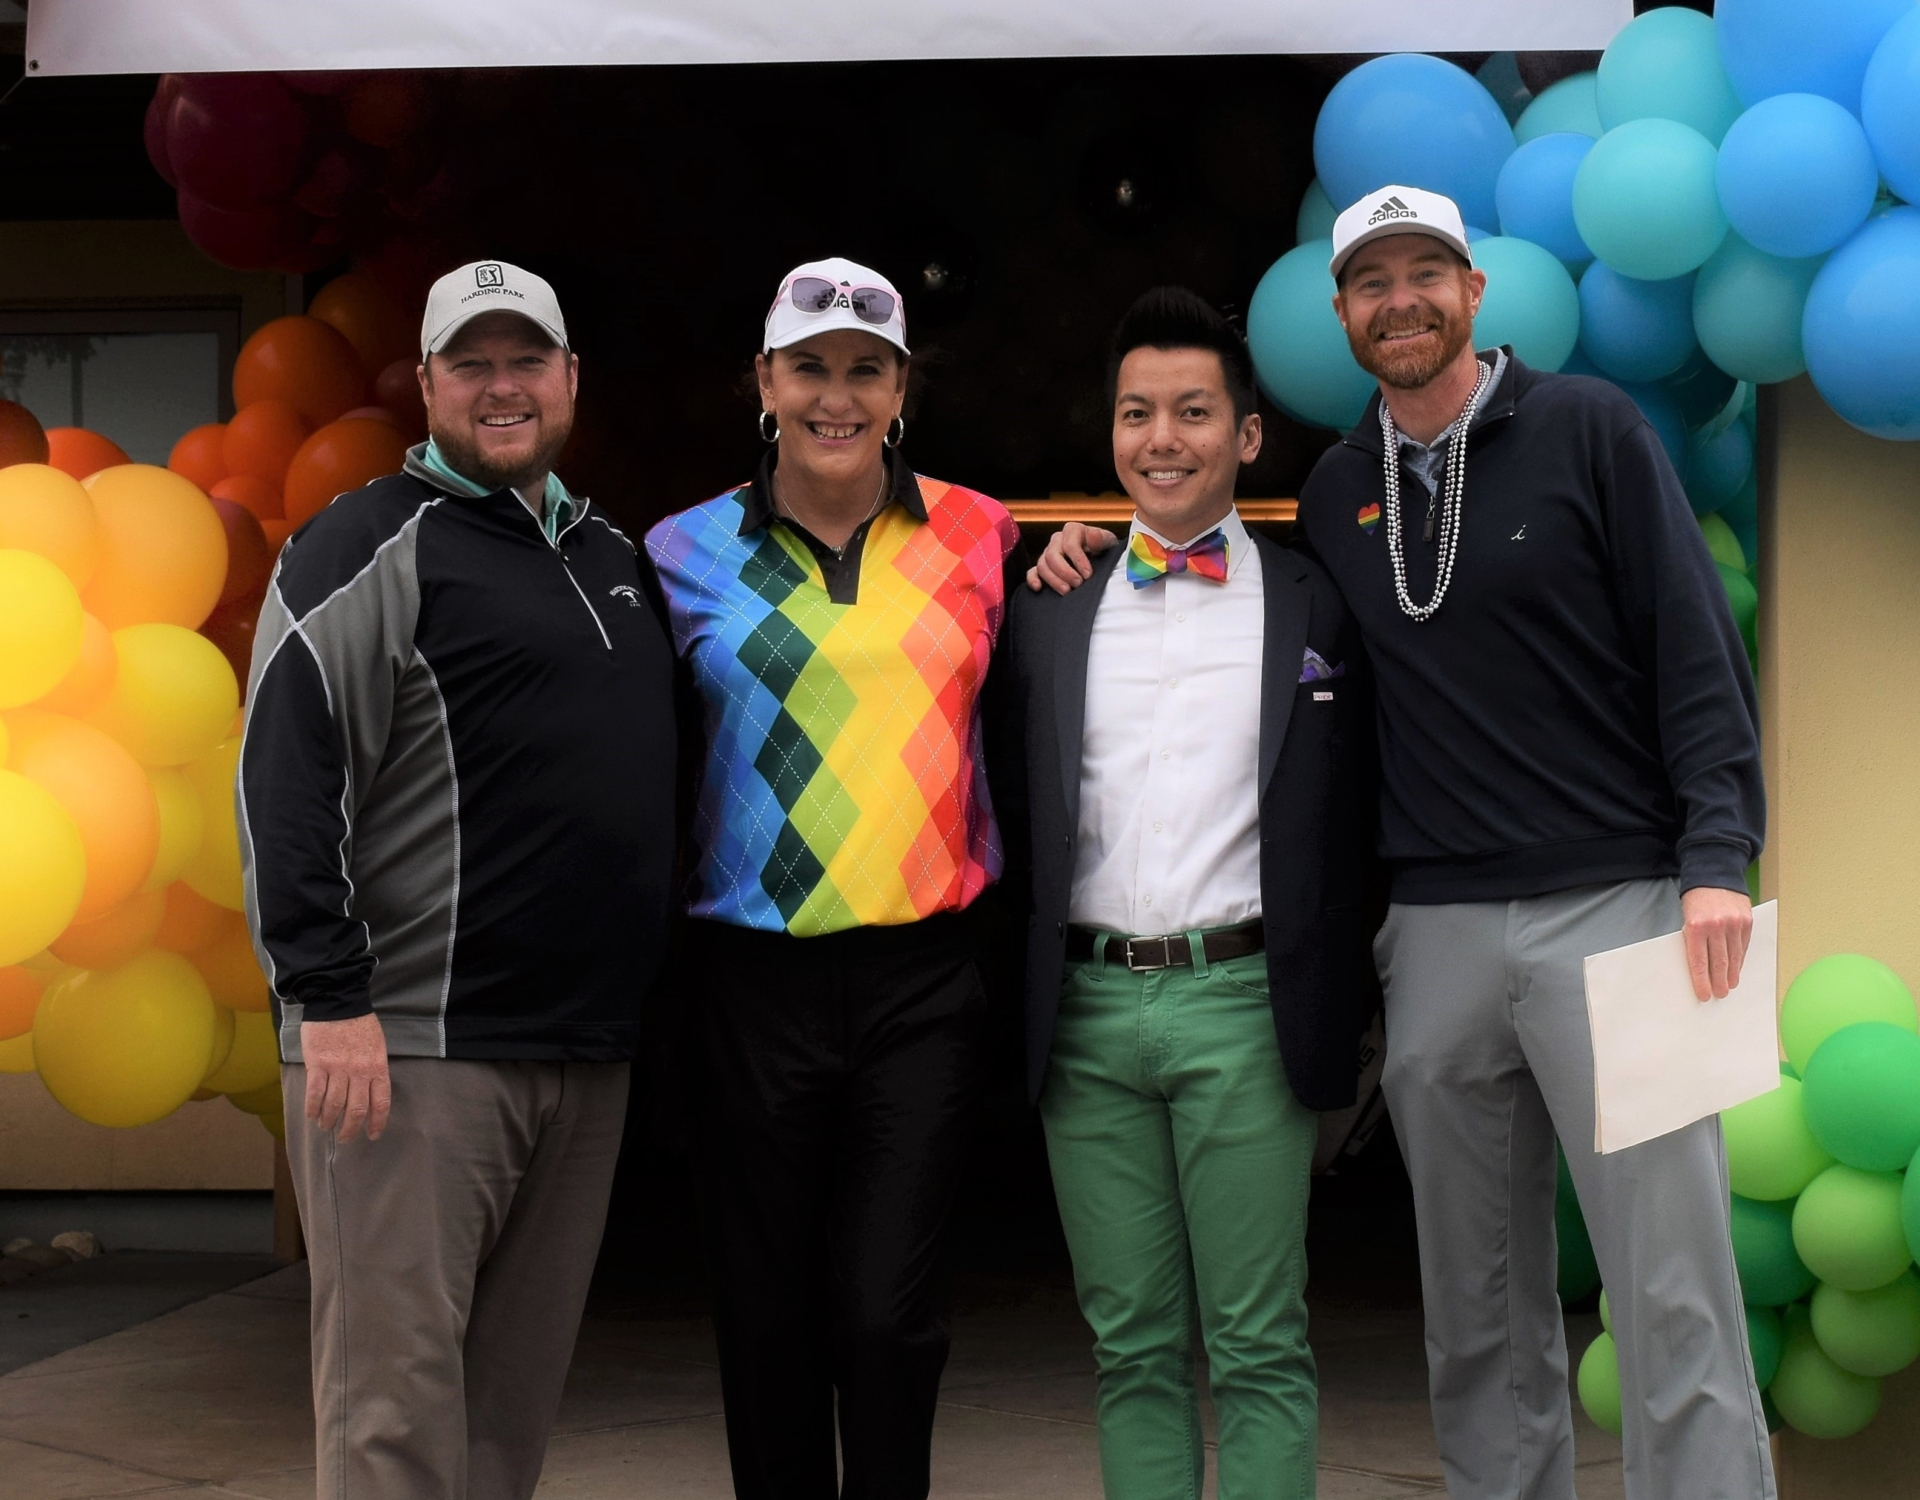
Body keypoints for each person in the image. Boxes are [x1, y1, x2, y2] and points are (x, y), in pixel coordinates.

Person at [1030, 188, 1773, 1500]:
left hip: (1632, 901)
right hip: (1434, 931)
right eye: (1373, 282)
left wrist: (1719, 861)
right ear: (1343, 315)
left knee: (1672, 1296)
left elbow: (1695, 657)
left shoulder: (1592, 429)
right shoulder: (1329, 496)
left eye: (1428, 271)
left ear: (1474, 292)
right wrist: (1079, 547)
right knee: (1477, 1313)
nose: (1402, 300)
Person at [240, 259, 677, 1500]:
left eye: (525, 360)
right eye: (471, 363)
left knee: (505, 1427)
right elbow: (282, 776)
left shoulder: (611, 554)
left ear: (570, 379)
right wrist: (326, 998)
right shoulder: (366, 543)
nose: (502, 386)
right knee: (396, 1422)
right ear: (425, 382)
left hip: (579, 1057)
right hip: (410, 1054)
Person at [643, 258, 1025, 1500]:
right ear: (765, 380)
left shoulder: (983, 532)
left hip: (923, 980)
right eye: (810, 367)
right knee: (766, 1324)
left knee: (885, 1319)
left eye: (865, 370)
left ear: (903, 386)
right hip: (749, 983)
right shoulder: (678, 551)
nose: (836, 397)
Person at [1006, 287, 1374, 1500]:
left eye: (1194, 412)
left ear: (1248, 436)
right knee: (1131, 1352)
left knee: (1261, 1348)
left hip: (1246, 1009)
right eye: (1136, 413)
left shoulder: (1320, 603)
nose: (1162, 438)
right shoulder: (1050, 605)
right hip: (1089, 1017)